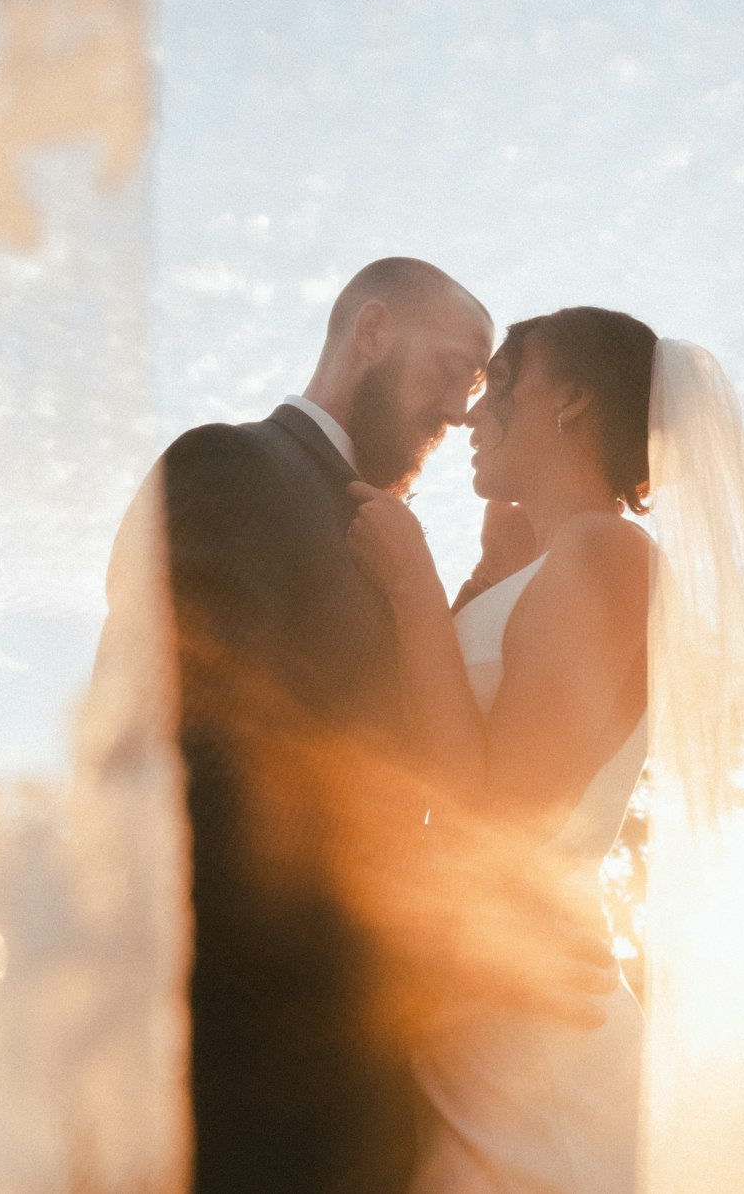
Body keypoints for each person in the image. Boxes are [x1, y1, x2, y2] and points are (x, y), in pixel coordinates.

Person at [346, 305, 744, 1194]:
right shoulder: (550, 563)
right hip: (481, 1008)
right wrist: (479, 584)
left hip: (532, 1054)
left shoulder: (611, 553)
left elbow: (494, 821)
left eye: (500, 381)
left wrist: (413, 583)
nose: (470, 414)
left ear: (570, 399)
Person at [91, 259, 619, 1194]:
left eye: (481, 387)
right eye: (457, 372)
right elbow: (195, 784)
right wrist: (448, 938)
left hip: (383, 1101)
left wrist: (478, 594)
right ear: (372, 332)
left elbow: (405, 776)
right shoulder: (232, 466)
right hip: (253, 1098)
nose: (463, 412)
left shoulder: (384, 537)